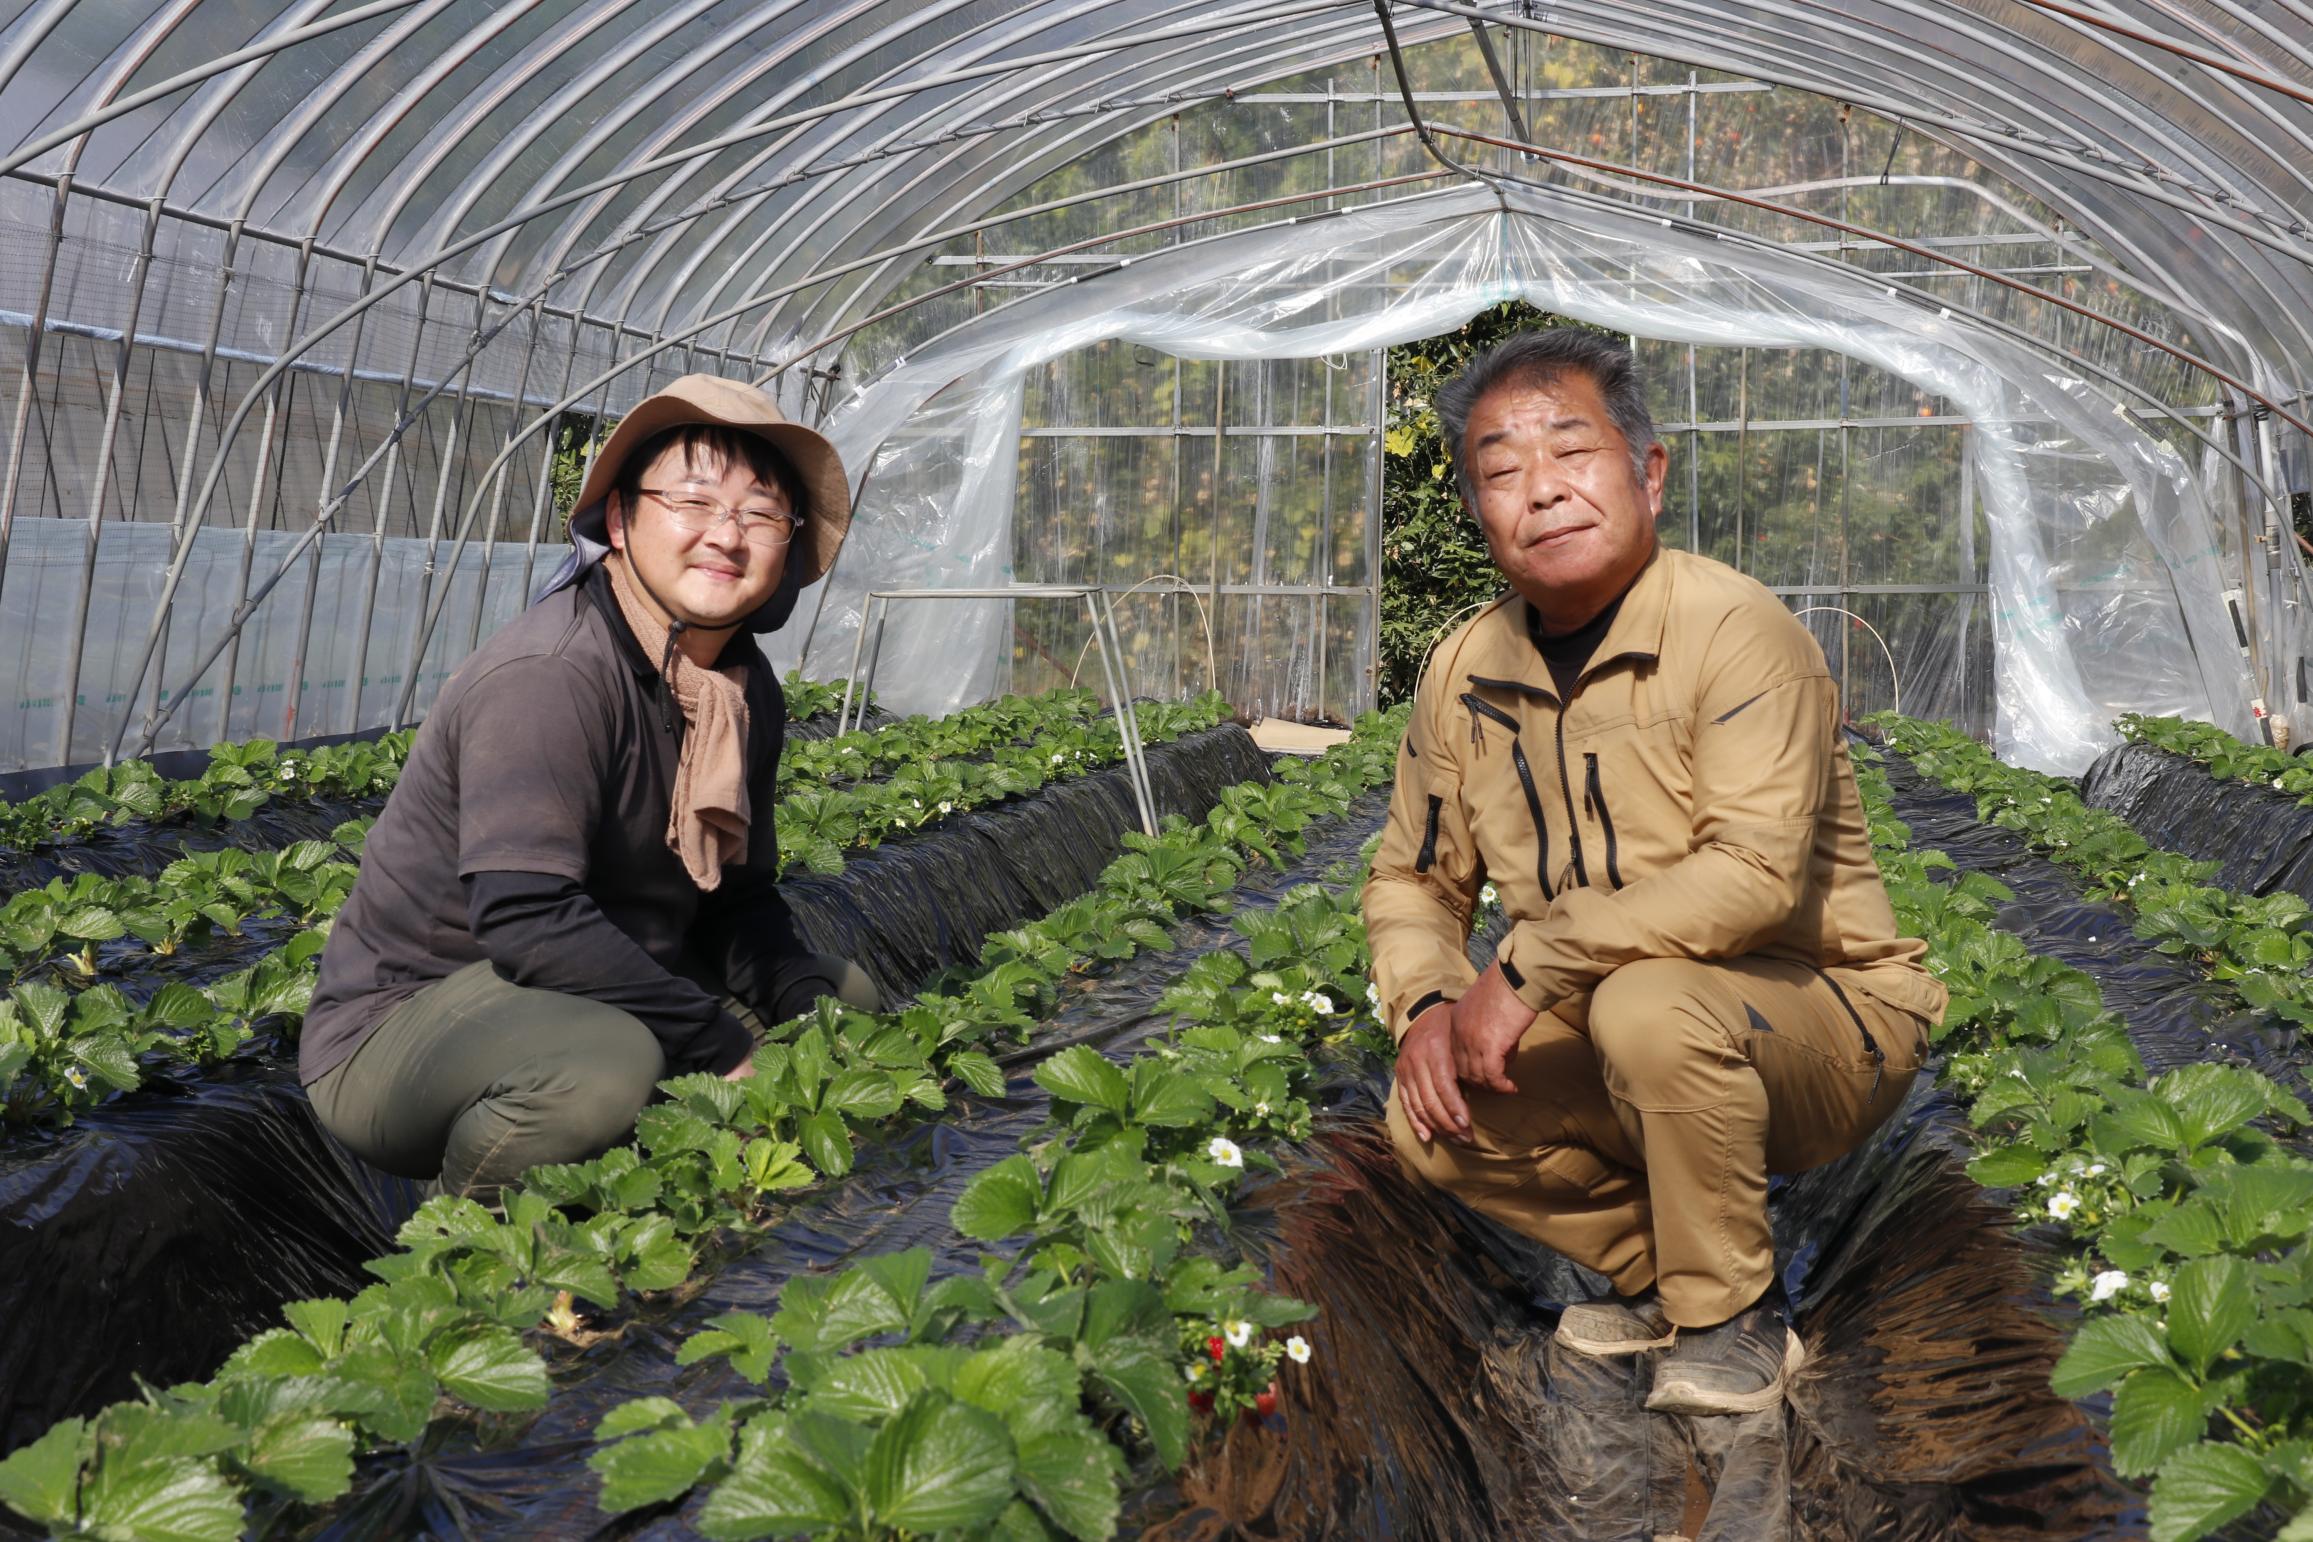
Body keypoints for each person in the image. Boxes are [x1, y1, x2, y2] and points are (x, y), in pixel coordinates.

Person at [1364, 329, 1946, 1415]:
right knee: (1428, 1114)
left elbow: (1753, 881)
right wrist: (1430, 1007)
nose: (1540, 493)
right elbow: (1412, 881)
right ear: (1477, 510)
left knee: (1647, 1004)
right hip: (1625, 1023)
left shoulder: (1735, 630)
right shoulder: (1464, 667)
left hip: (1826, 1023)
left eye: (1571, 453)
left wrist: (1528, 966)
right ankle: (1676, 1277)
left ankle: (1734, 1320)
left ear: (1650, 471)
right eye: (1501, 470)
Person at [302, 374, 880, 1203]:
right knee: (603, 1070)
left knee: (841, 1003)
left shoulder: (736, 693)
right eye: (694, 501)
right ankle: (468, 1264)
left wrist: (796, 990)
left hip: (599, 979)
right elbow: (525, 916)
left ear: (787, 547)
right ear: (619, 518)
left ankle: (699, 1221)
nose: (726, 536)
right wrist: (718, 1044)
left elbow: (733, 897)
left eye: (760, 514)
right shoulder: (553, 674)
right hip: (403, 1026)